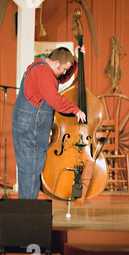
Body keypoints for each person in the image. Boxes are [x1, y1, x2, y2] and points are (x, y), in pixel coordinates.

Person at [11, 46, 86, 199]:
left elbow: (60, 78)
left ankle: (30, 208)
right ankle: (27, 209)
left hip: (35, 126)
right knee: (28, 169)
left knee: (33, 169)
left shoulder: (47, 70)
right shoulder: (43, 72)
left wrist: (76, 60)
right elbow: (54, 100)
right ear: (56, 63)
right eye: (64, 69)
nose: (65, 73)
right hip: (29, 126)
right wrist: (75, 109)